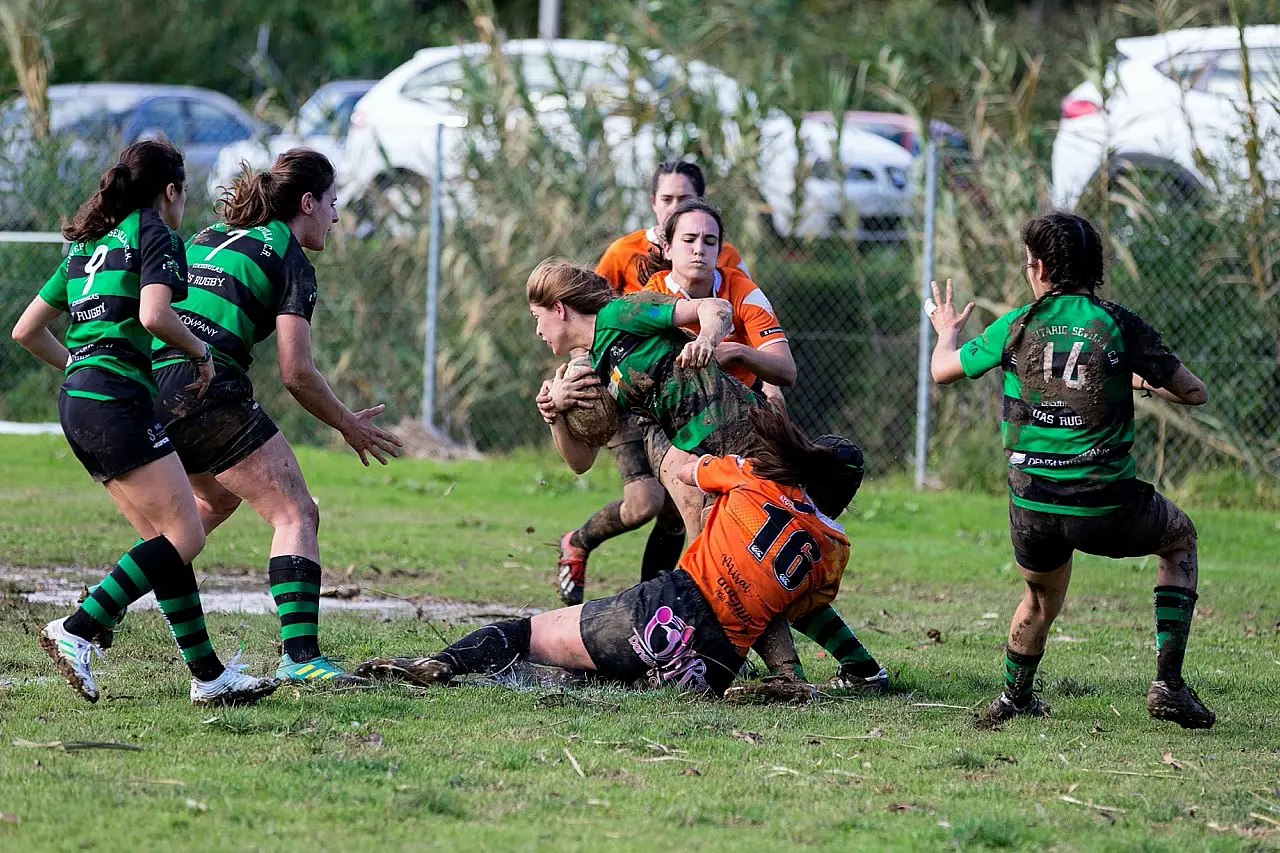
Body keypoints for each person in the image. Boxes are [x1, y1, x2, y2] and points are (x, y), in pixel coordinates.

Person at [532, 257, 887, 689]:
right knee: (760, 569)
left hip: (748, 438)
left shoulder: (620, 314)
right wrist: (554, 414)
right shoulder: (596, 367)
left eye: (537, 318)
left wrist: (706, 338)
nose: (537, 330)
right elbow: (580, 461)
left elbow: (715, 307)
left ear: (560, 309)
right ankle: (850, 671)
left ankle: (803, 674)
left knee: (756, 567)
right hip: (716, 461)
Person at [10, 140, 278, 706]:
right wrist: (202, 356)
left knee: (165, 540)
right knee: (186, 535)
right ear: (172, 191)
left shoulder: (88, 246)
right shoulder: (154, 232)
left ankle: (208, 675)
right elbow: (156, 315)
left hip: (78, 401)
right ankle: (78, 630)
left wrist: (83, 364)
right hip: (117, 403)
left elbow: (26, 331)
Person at [927, 211, 1214, 728]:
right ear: (1096, 268)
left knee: (1040, 596)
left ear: (1038, 267)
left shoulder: (1015, 324)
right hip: (1104, 501)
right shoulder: (1119, 324)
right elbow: (1194, 392)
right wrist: (1140, 380)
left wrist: (947, 332)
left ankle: (1014, 697)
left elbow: (942, 371)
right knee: (1179, 540)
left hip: (1032, 504)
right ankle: (1168, 685)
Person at [353, 406, 862, 697]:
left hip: (665, 612)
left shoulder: (753, 479)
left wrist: (667, 429)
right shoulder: (835, 552)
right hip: (714, 665)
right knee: (600, 677)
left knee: (522, 633)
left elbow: (688, 472)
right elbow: (790, 612)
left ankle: (436, 664)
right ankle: (781, 685)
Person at [146, 148, 403, 685]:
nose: (335, 216)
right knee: (296, 513)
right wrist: (348, 425)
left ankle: (96, 610)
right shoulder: (289, 258)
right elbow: (297, 373)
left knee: (207, 504)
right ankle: (302, 657)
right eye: (332, 203)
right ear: (307, 203)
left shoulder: (205, 237)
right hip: (206, 390)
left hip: (150, 385)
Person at [552, 163, 748, 608]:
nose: (674, 208)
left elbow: (735, 312)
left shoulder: (719, 253)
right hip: (624, 391)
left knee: (680, 511)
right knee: (644, 503)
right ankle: (578, 543)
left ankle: (657, 607)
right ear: (652, 203)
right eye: (666, 200)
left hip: (679, 396)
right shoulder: (623, 253)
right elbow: (584, 321)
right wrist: (582, 378)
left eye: (684, 200)